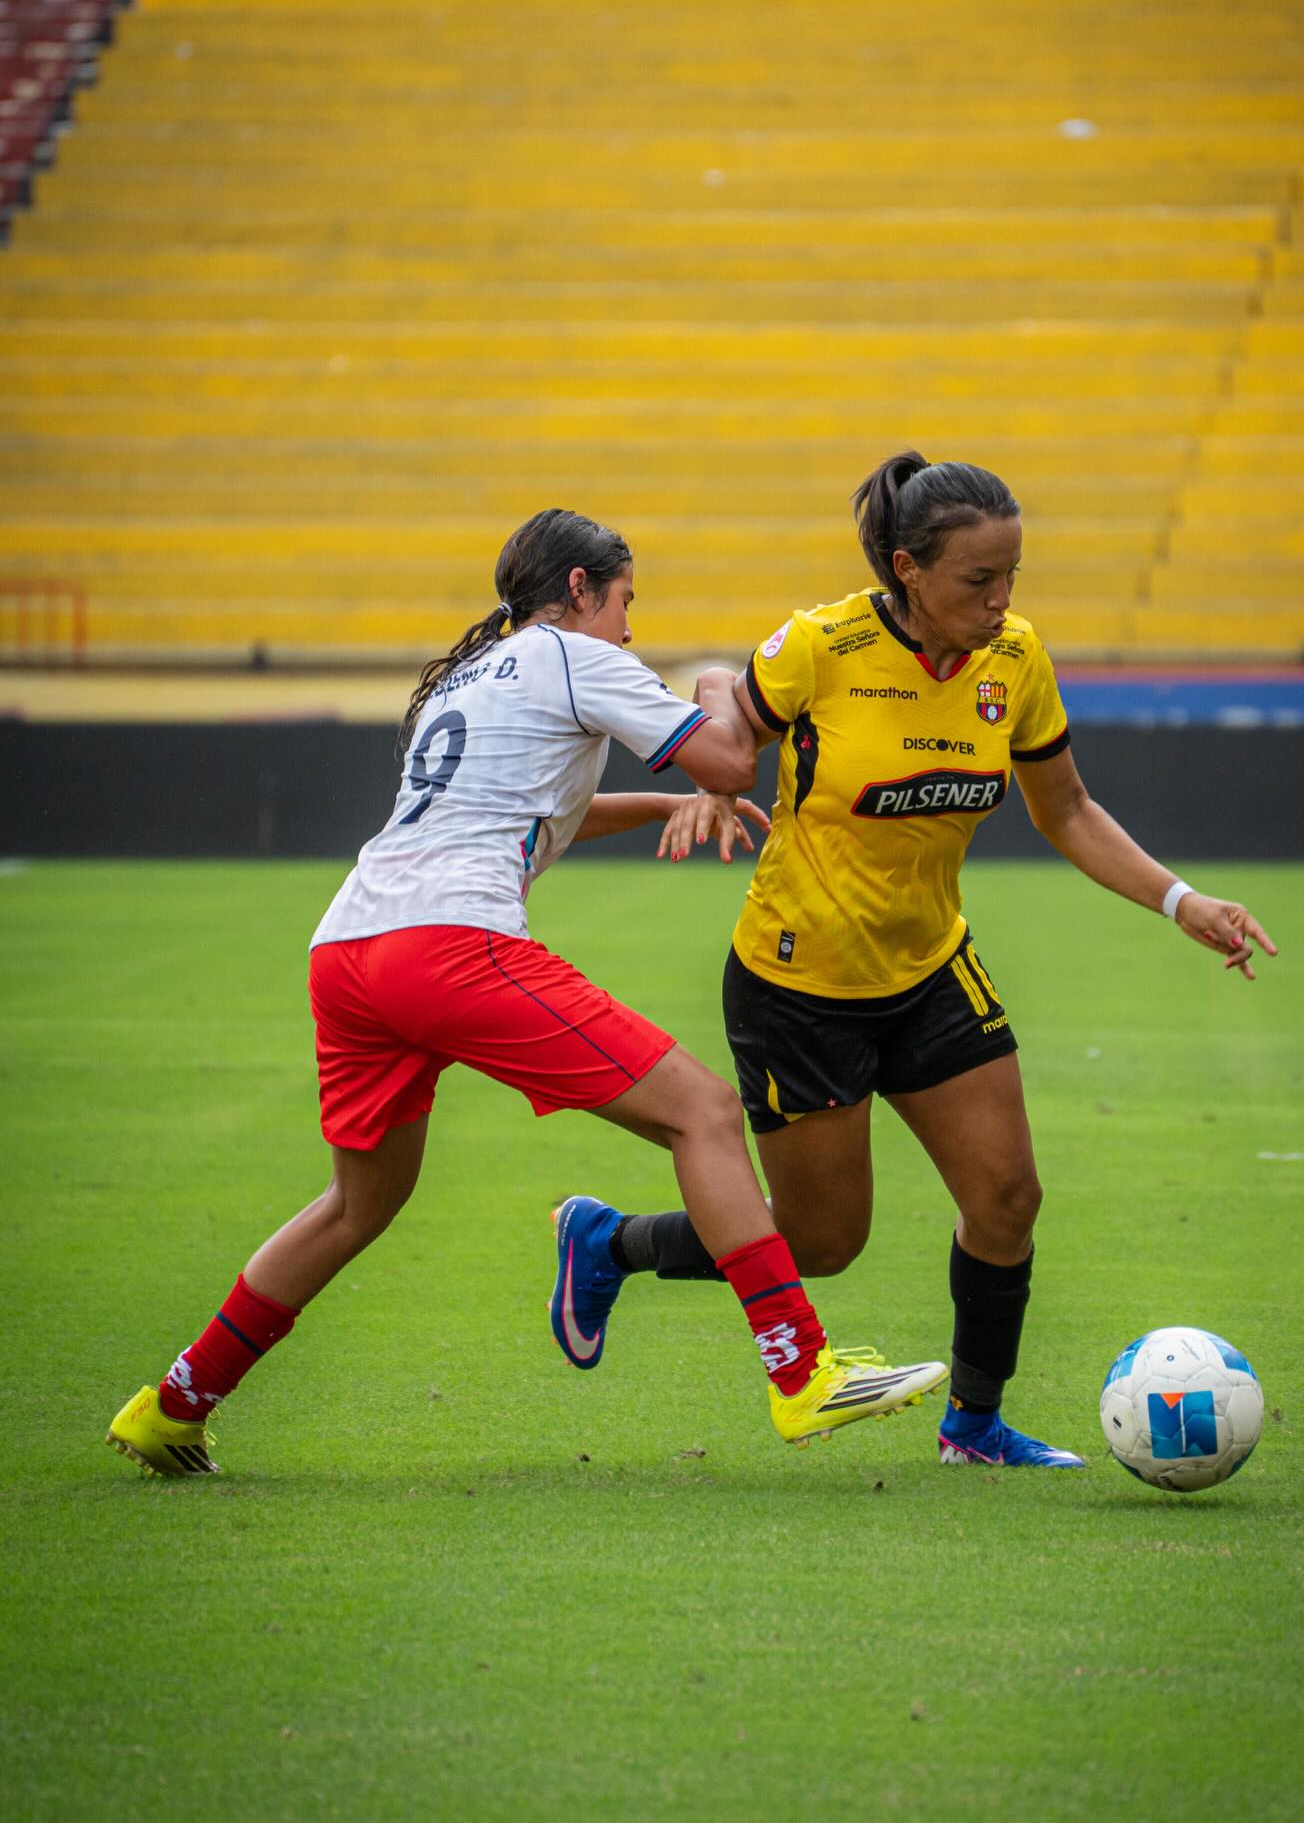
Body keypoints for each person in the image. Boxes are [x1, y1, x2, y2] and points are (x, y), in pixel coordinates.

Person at [105, 508, 946, 1477]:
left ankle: (172, 1405)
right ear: (581, 590)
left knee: (355, 1205)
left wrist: (669, 804)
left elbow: (541, 813)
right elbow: (728, 758)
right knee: (705, 1113)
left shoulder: (474, 672)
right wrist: (722, 682)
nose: (631, 628)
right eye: (626, 600)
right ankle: (801, 1372)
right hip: (449, 945)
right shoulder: (575, 656)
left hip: (348, 949)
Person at [550, 454, 1278, 1469]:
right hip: (797, 989)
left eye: (1012, 576)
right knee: (821, 1245)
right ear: (907, 568)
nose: (1001, 601)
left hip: (931, 970)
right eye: (978, 582)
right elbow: (729, 711)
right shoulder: (826, 644)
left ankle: (973, 1429)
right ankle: (609, 1241)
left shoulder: (1014, 659)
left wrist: (1179, 898)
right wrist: (715, 776)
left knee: (1008, 1198)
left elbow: (1063, 808)